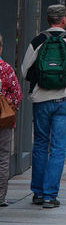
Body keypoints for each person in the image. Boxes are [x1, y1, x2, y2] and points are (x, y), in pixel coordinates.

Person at [21, 4, 66, 209]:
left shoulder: (38, 40)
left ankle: (38, 193)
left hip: (41, 99)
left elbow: (25, 71)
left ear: (48, 20)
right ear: (64, 20)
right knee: (58, 147)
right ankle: (51, 196)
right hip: (65, 99)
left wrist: (43, 80)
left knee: (41, 144)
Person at [0, 33, 22, 207]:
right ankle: (0, 196)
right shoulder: (6, 68)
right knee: (2, 157)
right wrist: (10, 107)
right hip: (3, 120)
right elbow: (17, 96)